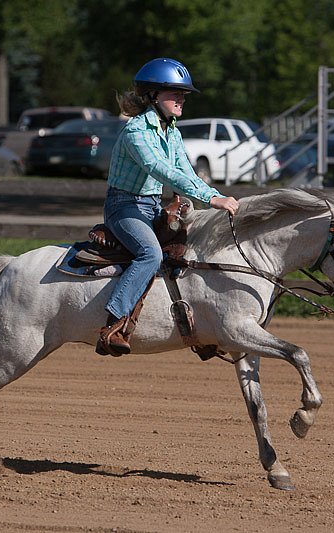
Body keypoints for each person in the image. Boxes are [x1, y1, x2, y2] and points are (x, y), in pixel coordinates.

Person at [97, 57, 239, 357]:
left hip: (150, 206)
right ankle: (113, 323)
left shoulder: (170, 131)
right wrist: (212, 199)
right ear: (152, 96)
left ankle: (198, 330)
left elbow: (184, 171)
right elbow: (161, 170)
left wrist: (209, 193)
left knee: (186, 255)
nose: (181, 99)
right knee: (150, 253)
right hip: (123, 207)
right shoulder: (136, 131)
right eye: (175, 93)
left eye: (183, 94)